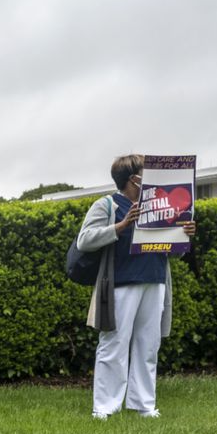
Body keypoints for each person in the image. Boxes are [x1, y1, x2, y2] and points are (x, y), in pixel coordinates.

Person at [76, 154, 196, 419]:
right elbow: (84, 240)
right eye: (146, 172)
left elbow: (172, 252)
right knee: (114, 345)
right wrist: (120, 225)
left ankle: (144, 405)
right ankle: (104, 407)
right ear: (134, 178)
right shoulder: (106, 205)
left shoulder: (160, 204)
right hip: (120, 283)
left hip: (155, 281)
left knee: (148, 345)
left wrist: (183, 236)